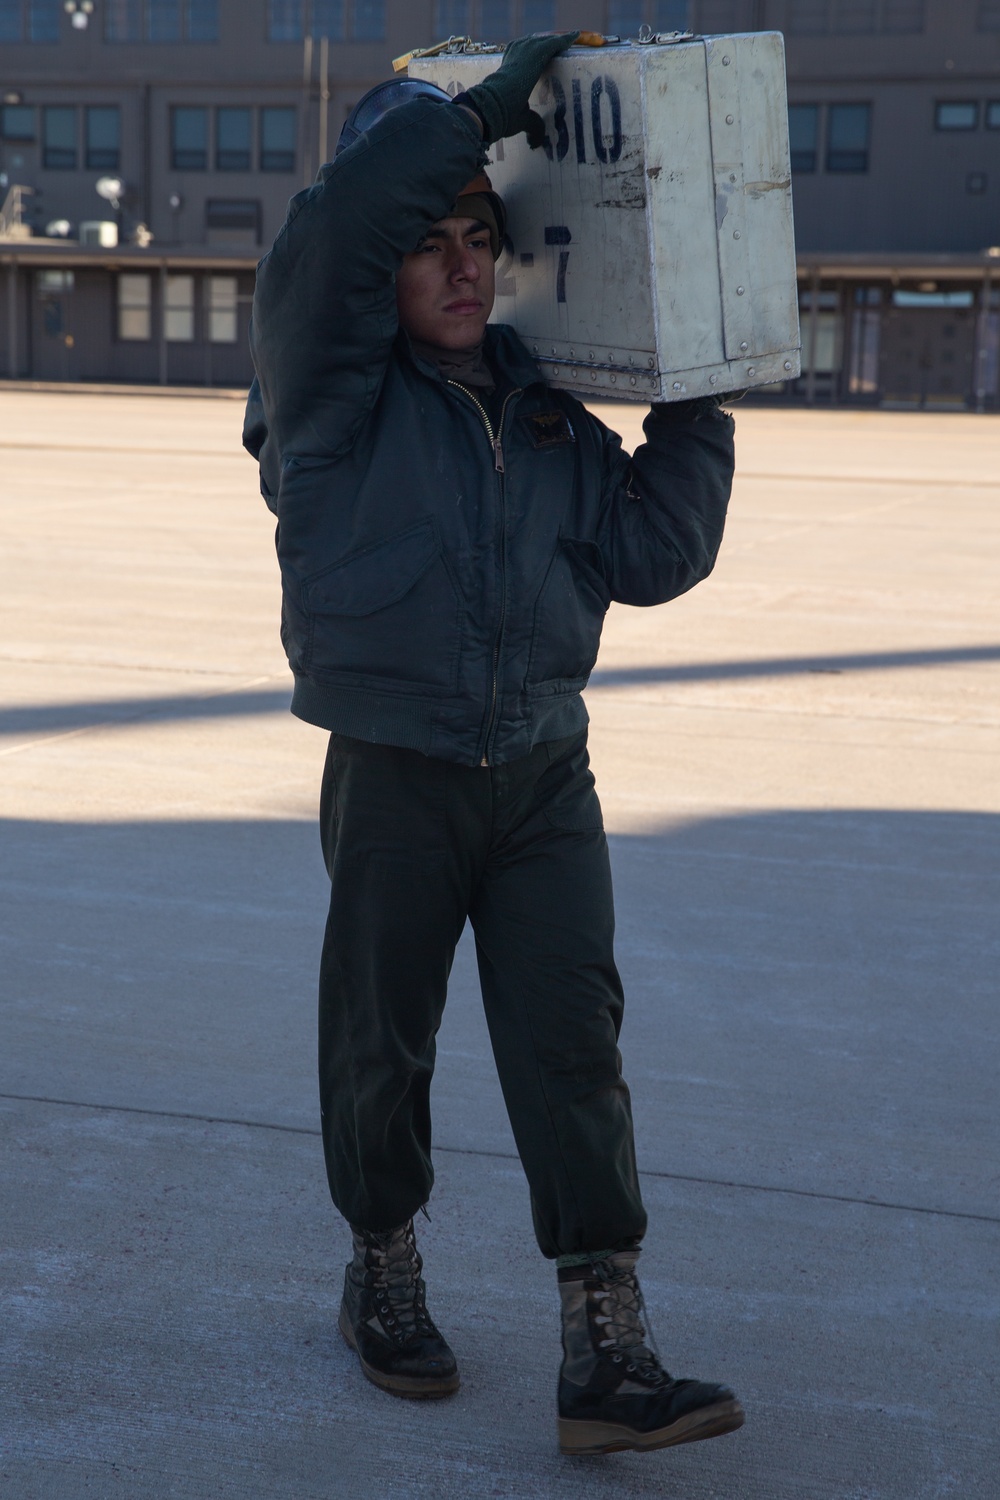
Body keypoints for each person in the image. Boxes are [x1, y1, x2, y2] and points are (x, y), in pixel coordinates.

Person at [244, 32, 744, 1458]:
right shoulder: (329, 403)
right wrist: (471, 114)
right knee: (381, 1042)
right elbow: (335, 232)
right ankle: (382, 1271)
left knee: (572, 1045)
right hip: (396, 771)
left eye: (484, 240)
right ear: (391, 268)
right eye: (436, 243)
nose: (464, 266)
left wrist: (698, 389)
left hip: (543, 775)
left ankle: (606, 1344)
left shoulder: (543, 408)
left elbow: (653, 553)